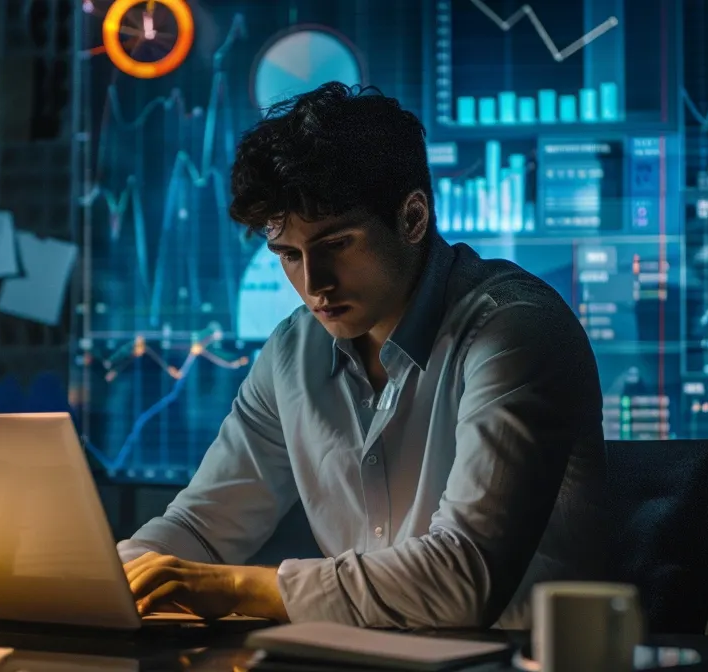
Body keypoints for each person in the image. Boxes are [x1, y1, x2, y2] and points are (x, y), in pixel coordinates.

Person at [118, 82, 608, 629]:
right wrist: (110, 579)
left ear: (413, 218)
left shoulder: (516, 330)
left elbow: (462, 580)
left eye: (335, 245)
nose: (314, 284)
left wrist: (233, 586)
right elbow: (202, 527)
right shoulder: (291, 351)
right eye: (288, 254)